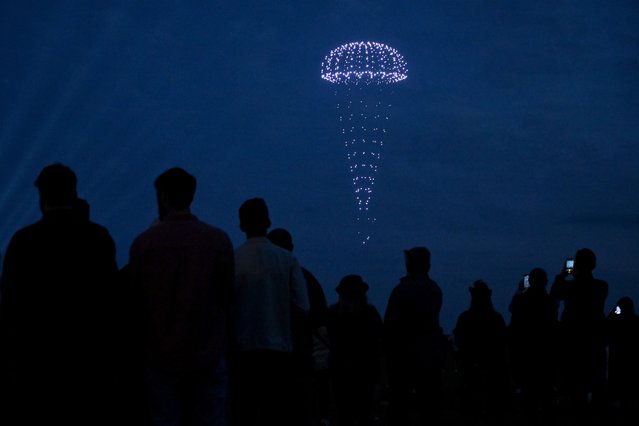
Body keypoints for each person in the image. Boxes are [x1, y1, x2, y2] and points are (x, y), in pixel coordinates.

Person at [0, 163, 118, 425]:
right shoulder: (98, 237)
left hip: (38, 361)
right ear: (74, 194)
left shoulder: (23, 241)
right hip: (88, 360)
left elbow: (10, 305)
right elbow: (111, 297)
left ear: (41, 197)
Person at [129, 167, 235, 426]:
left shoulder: (144, 244)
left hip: (160, 354)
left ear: (163, 197)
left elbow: (136, 302)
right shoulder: (218, 241)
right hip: (206, 350)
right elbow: (227, 297)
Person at [229, 198, 309, 426]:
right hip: (279, 352)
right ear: (267, 222)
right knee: (276, 414)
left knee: (243, 413)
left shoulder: (233, 260)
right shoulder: (287, 259)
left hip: (242, 353)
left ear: (242, 225)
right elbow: (302, 307)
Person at [267, 228, 330, 426]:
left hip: (273, 355)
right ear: (291, 248)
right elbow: (320, 321)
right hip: (302, 356)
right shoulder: (307, 279)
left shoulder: (263, 280)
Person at [384, 247, 444, 426]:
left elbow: (390, 324)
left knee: (400, 404)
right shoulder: (434, 290)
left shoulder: (402, 290)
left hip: (404, 355)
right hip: (430, 355)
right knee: (429, 406)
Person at [550, 248, 608, 420]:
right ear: (594, 265)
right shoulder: (601, 286)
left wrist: (562, 274)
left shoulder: (569, 287)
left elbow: (554, 295)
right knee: (596, 384)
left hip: (572, 342)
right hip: (593, 341)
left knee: (574, 387)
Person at [327, 275, 383, 426]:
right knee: (362, 412)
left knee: (344, 412)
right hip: (364, 369)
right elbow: (379, 342)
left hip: (341, 369)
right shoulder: (370, 314)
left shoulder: (333, 313)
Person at [454, 280, 509, 426]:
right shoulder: (496, 319)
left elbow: (459, 341)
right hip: (492, 369)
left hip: (471, 368)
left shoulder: (465, 318)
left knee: (471, 408)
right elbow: (502, 342)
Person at [508, 268, 558, 421]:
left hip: (526, 355)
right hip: (545, 356)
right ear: (545, 282)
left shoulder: (521, 300)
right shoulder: (550, 303)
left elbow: (513, 313)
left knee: (528, 398)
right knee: (546, 397)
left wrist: (519, 290)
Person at [606, 297, 639, 424]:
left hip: (619, 360)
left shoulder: (616, 323)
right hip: (629, 362)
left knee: (618, 389)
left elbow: (606, 324)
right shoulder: (635, 321)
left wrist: (614, 311)